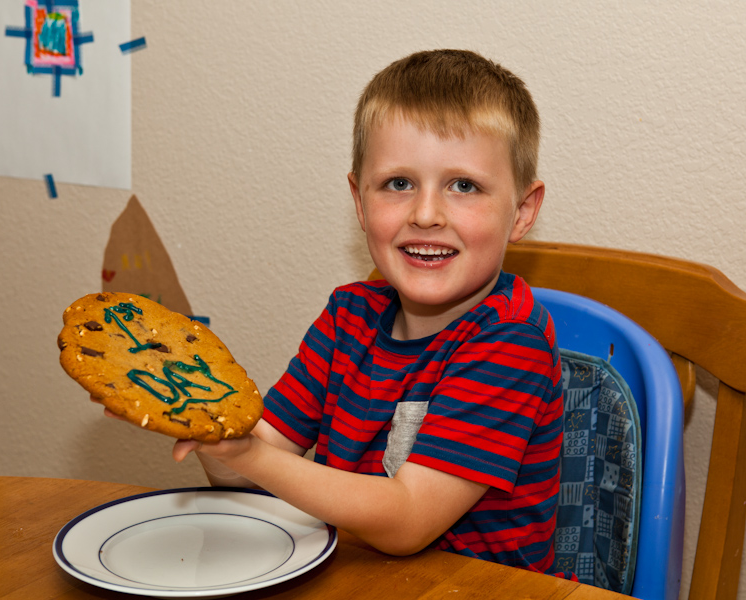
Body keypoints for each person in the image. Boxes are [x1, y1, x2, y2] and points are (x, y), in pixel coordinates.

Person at [133, 49, 564, 574]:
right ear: (359, 201)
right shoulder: (347, 318)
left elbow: (407, 522)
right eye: (398, 184)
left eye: (464, 186)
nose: (426, 214)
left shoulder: (511, 340)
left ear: (522, 211)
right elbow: (246, 473)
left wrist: (250, 456)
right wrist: (210, 428)